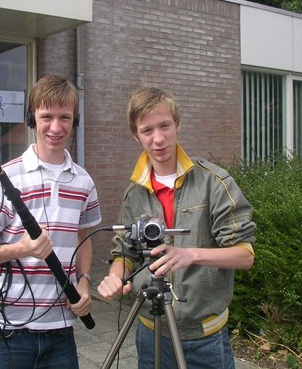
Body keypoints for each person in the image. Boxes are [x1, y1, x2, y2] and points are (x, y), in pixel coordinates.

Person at [97, 86, 256, 369]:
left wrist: (191, 254)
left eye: (165, 126)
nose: (158, 139)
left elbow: (244, 255)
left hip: (204, 337)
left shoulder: (214, 183)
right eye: (147, 131)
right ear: (136, 135)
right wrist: (114, 276)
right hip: (151, 332)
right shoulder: (134, 194)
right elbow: (125, 253)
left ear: (177, 124)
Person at [0, 74, 102, 369]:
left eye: (64, 117)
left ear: (75, 120)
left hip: (60, 333)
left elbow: (83, 239)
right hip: (3, 332)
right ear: (32, 118)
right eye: (46, 116)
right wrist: (23, 249)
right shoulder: (6, 176)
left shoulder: (83, 181)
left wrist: (83, 283)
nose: (56, 127)